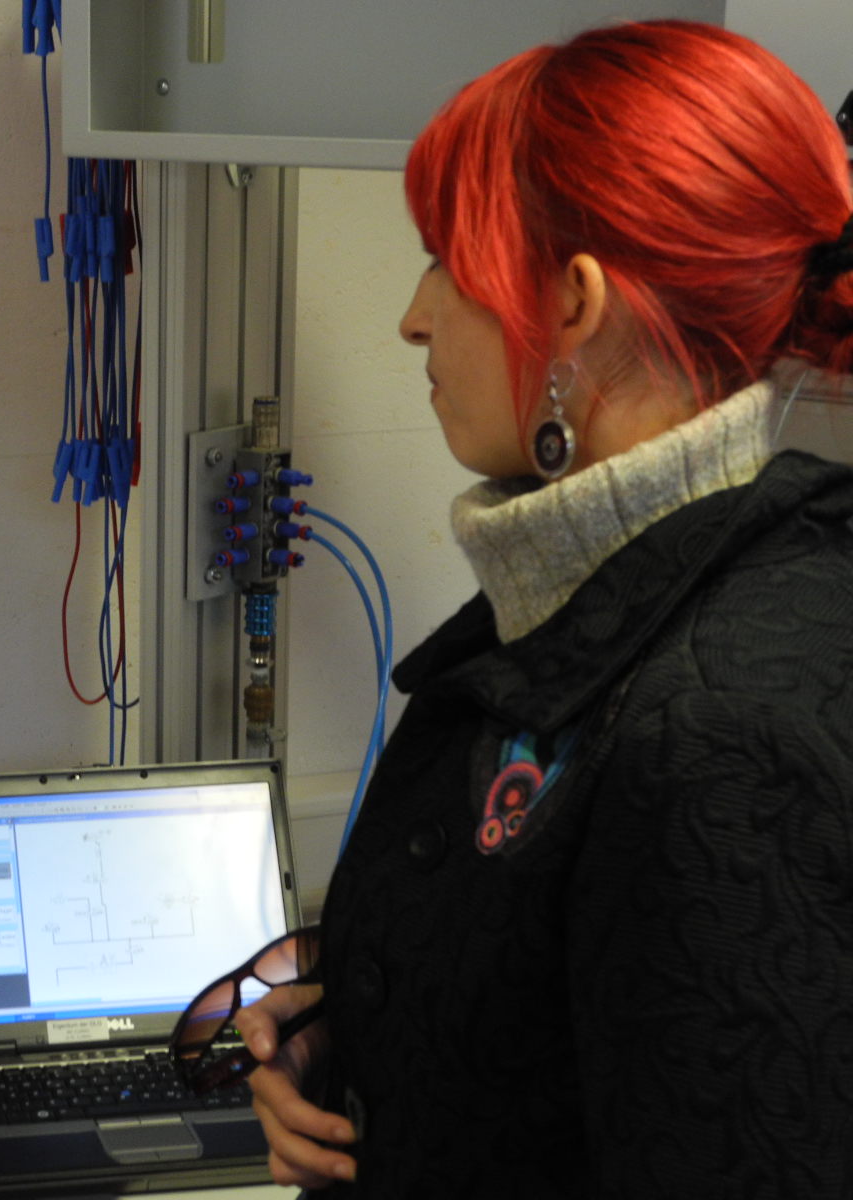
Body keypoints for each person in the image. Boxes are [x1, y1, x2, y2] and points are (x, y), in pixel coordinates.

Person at [236, 19, 853, 1197]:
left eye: (444, 260)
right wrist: (368, 1040)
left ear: (573, 306)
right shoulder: (609, 606)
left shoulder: (722, 731)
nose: (414, 317)